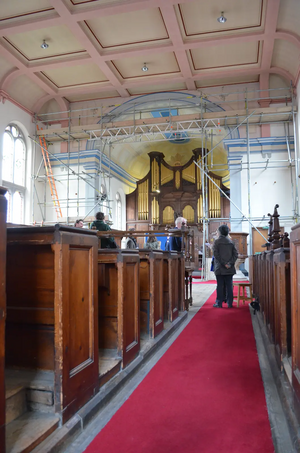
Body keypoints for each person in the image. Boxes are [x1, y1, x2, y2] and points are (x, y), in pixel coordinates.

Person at [212, 224, 238, 308]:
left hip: (220, 268)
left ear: (219, 232)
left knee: (220, 285)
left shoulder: (216, 242)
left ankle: (219, 303)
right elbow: (235, 254)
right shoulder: (231, 242)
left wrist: (224, 263)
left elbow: (216, 255)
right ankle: (230, 303)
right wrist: (229, 263)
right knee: (229, 285)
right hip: (229, 268)